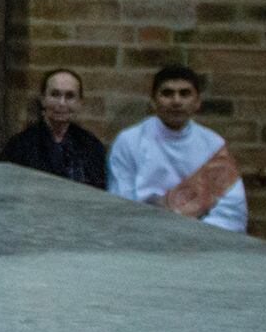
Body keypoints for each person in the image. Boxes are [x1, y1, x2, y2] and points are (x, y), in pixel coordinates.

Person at [106, 64, 247, 232]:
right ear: (153, 101)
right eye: (167, 93)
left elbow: (232, 210)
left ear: (197, 102)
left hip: (201, 238)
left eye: (185, 93)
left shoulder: (213, 144)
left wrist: (192, 234)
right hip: (144, 235)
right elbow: (121, 203)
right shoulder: (129, 141)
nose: (176, 101)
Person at [3, 68, 106, 189]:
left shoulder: (91, 146)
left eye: (70, 96)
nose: (62, 103)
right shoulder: (20, 146)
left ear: (80, 102)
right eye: (55, 94)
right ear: (43, 99)